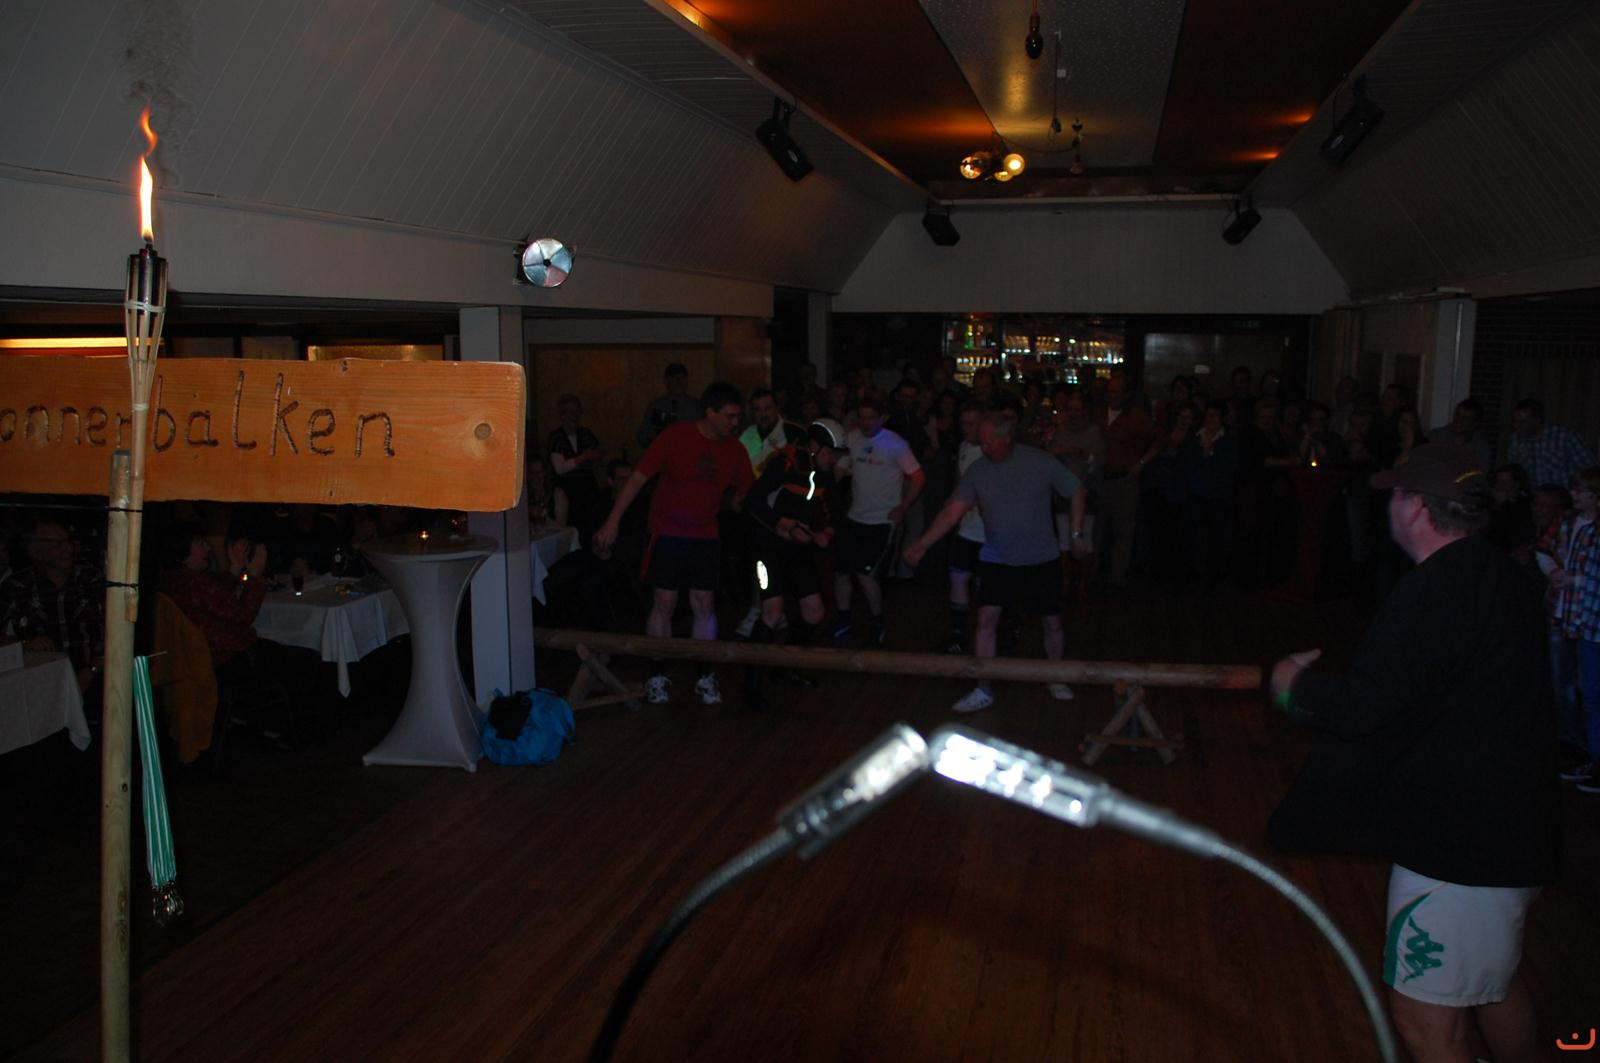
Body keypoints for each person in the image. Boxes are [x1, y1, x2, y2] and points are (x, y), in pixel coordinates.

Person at [1267, 444, 1560, 1063]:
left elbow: (1366, 707)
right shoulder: (1500, 574)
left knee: (1426, 1020)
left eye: (1396, 495)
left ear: (1419, 508)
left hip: (1461, 847)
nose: (1389, 507)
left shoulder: (1436, 591)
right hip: (1511, 826)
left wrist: (1294, 687)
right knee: (1492, 984)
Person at [905, 409, 1088, 713]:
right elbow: (952, 512)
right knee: (987, 619)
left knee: (1052, 622)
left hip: (1041, 558)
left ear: (1008, 438)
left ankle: (1056, 676)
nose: (984, 447)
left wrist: (1077, 533)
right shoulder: (978, 471)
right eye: (981, 441)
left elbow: (1076, 489)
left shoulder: (1040, 462)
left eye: (989, 442)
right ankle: (983, 687)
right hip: (997, 558)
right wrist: (922, 544)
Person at [595, 381, 754, 705]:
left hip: (705, 536)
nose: (735, 423)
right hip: (667, 533)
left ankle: (704, 674)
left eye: (738, 417)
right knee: (664, 602)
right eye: (730, 416)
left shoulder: (735, 450)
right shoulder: (675, 437)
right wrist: (613, 520)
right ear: (710, 412)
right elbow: (637, 478)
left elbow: (746, 494)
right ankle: (656, 674)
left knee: (704, 604)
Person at [740, 419, 848, 710]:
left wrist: (826, 533)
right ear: (814, 446)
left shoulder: (824, 475)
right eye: (830, 453)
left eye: (837, 455)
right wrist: (784, 524)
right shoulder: (784, 463)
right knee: (772, 611)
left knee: (814, 612)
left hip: (797, 550)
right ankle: (751, 686)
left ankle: (784, 667)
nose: (834, 460)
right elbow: (753, 502)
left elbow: (836, 512)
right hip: (766, 549)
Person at [831, 393, 924, 646]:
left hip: (882, 521)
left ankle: (877, 620)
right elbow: (840, 469)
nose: (865, 422)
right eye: (861, 417)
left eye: (871, 417)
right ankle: (843, 619)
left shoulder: (896, 444)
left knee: (867, 575)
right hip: (855, 517)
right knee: (841, 572)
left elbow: (918, 477)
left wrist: (903, 506)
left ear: (882, 418)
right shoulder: (852, 439)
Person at [0, 517, 104, 696]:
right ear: (36, 552)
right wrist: (24, 643)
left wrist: (90, 671)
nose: (67, 548)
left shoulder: (91, 580)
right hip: (39, 685)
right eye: (57, 544)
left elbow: (118, 633)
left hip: (95, 681)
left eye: (68, 541)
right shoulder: (18, 586)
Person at [1547, 465, 1600, 792]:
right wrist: (1555, 571)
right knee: (1575, 688)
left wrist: (1574, 580)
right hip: (1575, 618)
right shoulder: (1569, 524)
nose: (1574, 494)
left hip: (1590, 620)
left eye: (1582, 490)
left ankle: (1592, 757)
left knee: (1591, 691)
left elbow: (1591, 577)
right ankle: (1583, 752)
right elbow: (1547, 550)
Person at [1093, 369, 1157, 588]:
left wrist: (1141, 462)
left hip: (1124, 480)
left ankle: (1117, 578)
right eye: (1110, 392)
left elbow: (1159, 439)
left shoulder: (1138, 417)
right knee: (1097, 529)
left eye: (1116, 392)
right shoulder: (1098, 414)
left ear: (1126, 395)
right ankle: (1091, 575)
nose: (1112, 396)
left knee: (1123, 532)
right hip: (1101, 479)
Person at [938, 400, 988, 654]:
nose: (965, 429)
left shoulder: (992, 452)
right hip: (967, 528)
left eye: (971, 424)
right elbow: (961, 483)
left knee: (987, 586)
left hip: (990, 532)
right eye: (963, 424)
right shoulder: (964, 448)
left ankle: (993, 633)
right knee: (957, 577)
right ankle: (958, 634)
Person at [1507, 397, 1595, 489]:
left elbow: (1590, 470)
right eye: (1514, 421)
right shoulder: (1515, 440)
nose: (1516, 425)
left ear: (1537, 421)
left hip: (1563, 495)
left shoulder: (1564, 437)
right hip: (1534, 495)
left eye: (1522, 422)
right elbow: (1515, 473)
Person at [547, 394, 603, 529]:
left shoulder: (585, 433)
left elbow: (599, 452)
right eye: (570, 412)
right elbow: (560, 469)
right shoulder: (556, 438)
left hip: (588, 485)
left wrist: (593, 455)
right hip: (567, 488)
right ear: (562, 415)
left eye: (577, 411)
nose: (574, 416)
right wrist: (583, 457)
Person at [635, 362, 701, 450]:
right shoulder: (657, 406)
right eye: (674, 378)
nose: (679, 382)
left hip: (690, 451)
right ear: (666, 381)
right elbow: (643, 437)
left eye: (682, 378)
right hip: (663, 452)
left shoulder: (696, 405)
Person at [1428, 397, 1491, 471]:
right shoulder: (1435, 437)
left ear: (1475, 423)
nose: (1459, 420)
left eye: (1465, 418)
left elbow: (1480, 473)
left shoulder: (1480, 447)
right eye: (1457, 415)